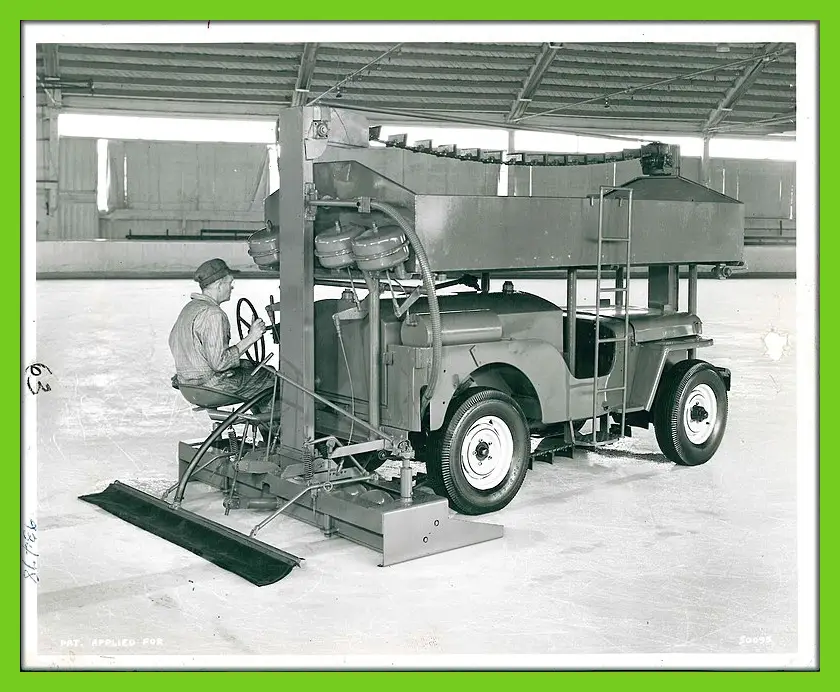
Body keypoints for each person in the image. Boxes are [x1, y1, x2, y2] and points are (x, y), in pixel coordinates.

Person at [169, 258, 277, 403]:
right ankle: (271, 424)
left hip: (188, 385)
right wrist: (251, 337)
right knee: (271, 377)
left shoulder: (190, 308)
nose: (232, 287)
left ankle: (260, 419)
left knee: (251, 367)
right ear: (219, 285)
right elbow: (220, 363)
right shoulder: (213, 314)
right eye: (230, 283)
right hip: (210, 387)